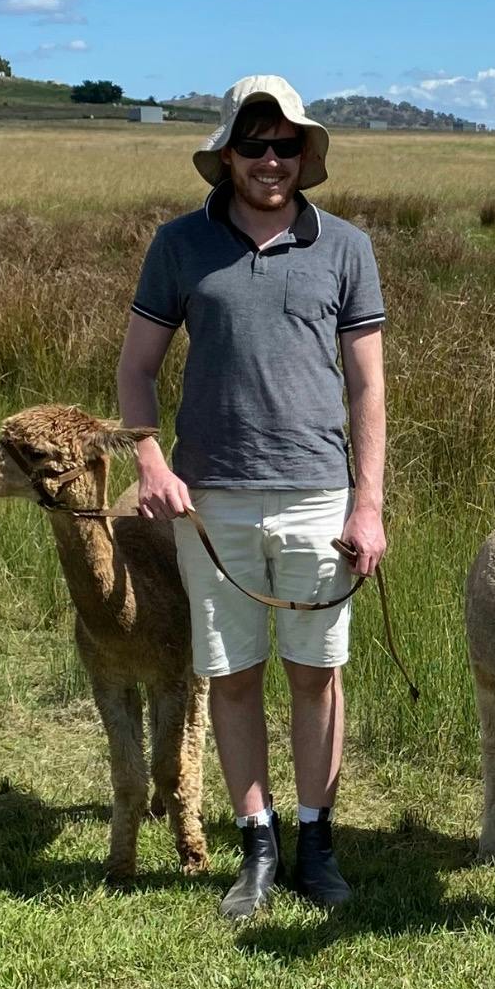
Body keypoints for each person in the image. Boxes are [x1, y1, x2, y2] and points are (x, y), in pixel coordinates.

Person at [119, 75, 387, 920]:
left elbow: (368, 391)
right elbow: (136, 369)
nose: (271, 161)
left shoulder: (346, 247)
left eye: (286, 147)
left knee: (318, 673)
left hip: (319, 492)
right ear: (226, 156)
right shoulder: (179, 245)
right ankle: (257, 844)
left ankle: (318, 841)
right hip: (212, 500)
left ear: (306, 157)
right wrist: (151, 465)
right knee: (232, 676)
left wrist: (368, 502)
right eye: (254, 145)